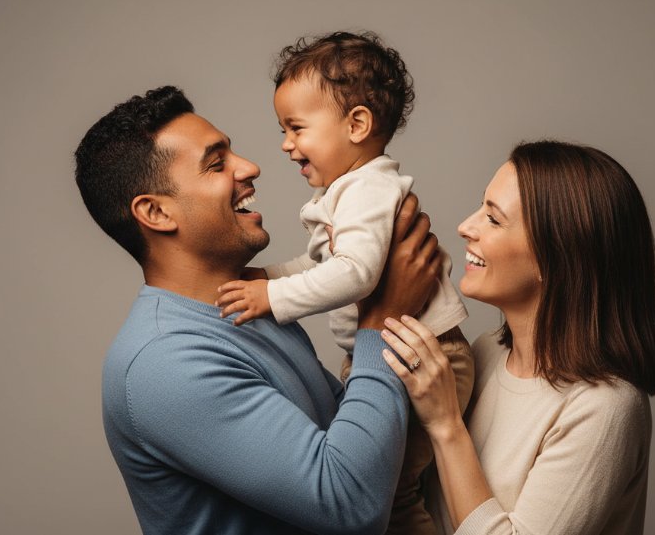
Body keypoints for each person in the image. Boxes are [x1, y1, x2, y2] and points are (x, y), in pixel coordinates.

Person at [73, 85, 445, 535]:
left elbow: (351, 439)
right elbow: (350, 505)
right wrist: (383, 319)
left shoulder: (248, 308)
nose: (250, 167)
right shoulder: (163, 363)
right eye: (216, 164)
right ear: (155, 212)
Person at [216, 32, 474, 535]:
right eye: (283, 130)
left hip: (426, 356)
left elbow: (355, 274)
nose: (286, 144)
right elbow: (328, 265)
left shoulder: (368, 188)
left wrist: (273, 296)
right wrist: (269, 275)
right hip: (388, 354)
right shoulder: (348, 190)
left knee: (392, 498)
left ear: (357, 124)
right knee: (391, 490)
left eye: (296, 128)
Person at [379, 141, 655, 535]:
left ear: (556, 258)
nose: (466, 226)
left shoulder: (606, 408)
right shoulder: (484, 353)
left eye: (493, 219)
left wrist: (446, 424)